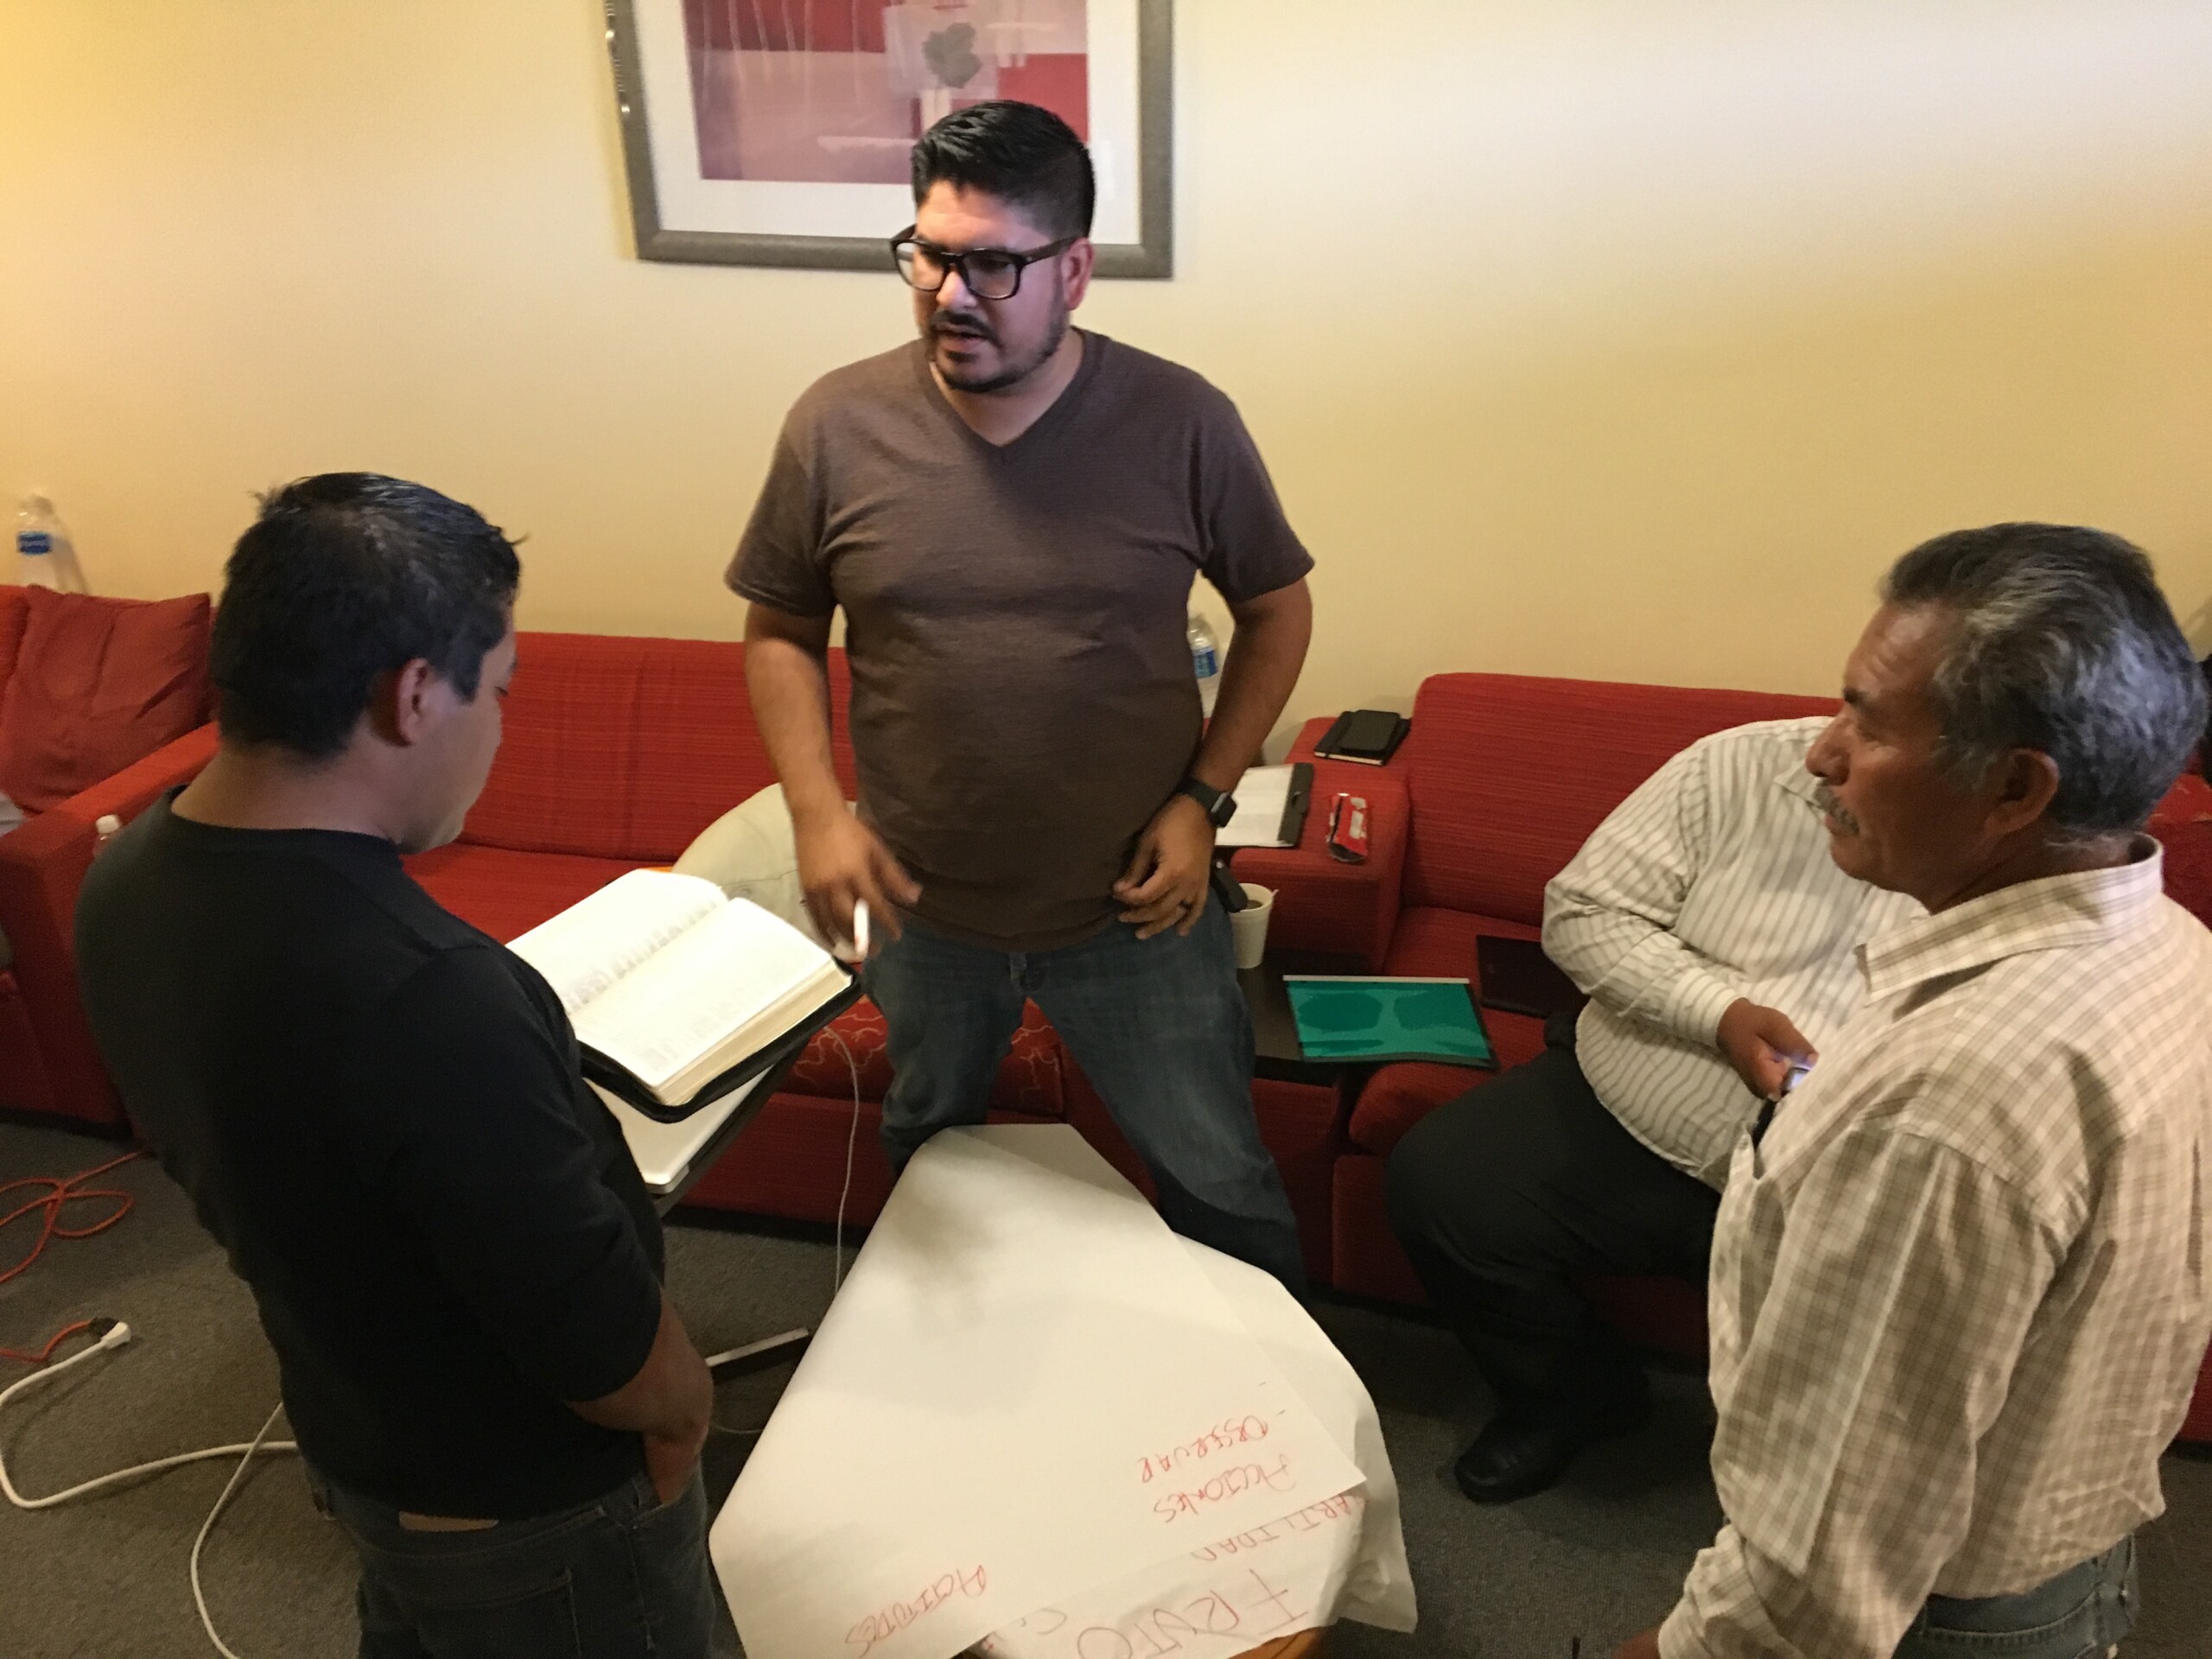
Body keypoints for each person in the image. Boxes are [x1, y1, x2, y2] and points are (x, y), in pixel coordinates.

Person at [76, 475, 722, 1659]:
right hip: (529, 1506)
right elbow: (596, 1341)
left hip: (357, 1431)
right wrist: (688, 1412)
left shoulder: (123, 883)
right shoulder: (428, 991)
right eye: (501, 691)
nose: (502, 731)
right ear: (416, 695)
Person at [731, 101, 1314, 1289]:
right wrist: (816, 811)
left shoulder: (1182, 421)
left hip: (1135, 911)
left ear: (1075, 272)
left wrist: (1203, 800)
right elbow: (781, 631)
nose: (952, 295)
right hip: (921, 908)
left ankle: (1279, 1391)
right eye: (930, 255)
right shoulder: (836, 425)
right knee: (929, 1155)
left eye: (993, 265)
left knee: (1218, 1177)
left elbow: (1278, 609)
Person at [1614, 524, 2212, 1659]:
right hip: (2068, 1559)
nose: (1820, 756)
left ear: (2013, 788)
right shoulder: (2169, 943)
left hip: (1937, 1615)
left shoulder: (1949, 1105)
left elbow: (1814, 1591)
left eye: (1869, 724)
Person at [1386, 714, 1918, 1502]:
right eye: (1851, 702)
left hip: (1829, 1181)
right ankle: (1571, 1396)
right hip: (1620, 1107)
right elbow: (1584, 912)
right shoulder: (1732, 765)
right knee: (1440, 1181)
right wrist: (1719, 1014)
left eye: (1882, 726)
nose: (1822, 751)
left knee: (1864, 1401)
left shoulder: (2038, 875)